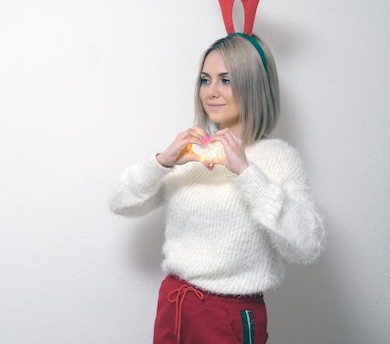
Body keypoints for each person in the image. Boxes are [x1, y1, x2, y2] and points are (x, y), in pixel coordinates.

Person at [109, 33, 325, 344]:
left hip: (230, 317)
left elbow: (306, 246)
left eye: (226, 80)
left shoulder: (277, 158)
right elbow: (120, 203)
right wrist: (162, 161)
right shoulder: (190, 152)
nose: (211, 92)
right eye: (205, 79)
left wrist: (246, 172)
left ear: (253, 84)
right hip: (175, 306)